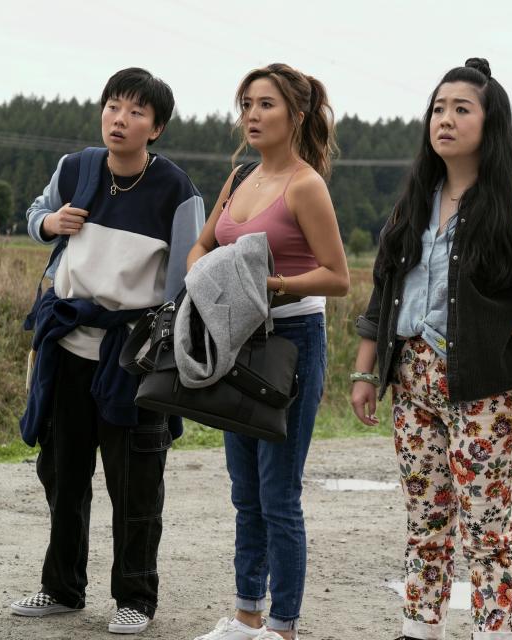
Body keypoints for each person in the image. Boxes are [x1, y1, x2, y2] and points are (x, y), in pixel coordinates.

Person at [350, 57, 512, 640]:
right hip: (414, 382)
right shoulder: (411, 205)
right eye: (438, 109)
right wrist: (365, 372)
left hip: (487, 390)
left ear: (489, 123)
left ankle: (494, 631)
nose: (444, 119)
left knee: (486, 526)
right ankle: (419, 628)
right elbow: (382, 294)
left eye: (461, 109)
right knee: (425, 518)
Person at [12, 67, 205, 634]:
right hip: (68, 344)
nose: (120, 119)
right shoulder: (76, 168)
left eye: (136, 112)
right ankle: (62, 589)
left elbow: (184, 281)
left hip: (132, 355)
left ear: (157, 128)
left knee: (135, 483)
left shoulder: (176, 190)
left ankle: (135, 598)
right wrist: (49, 222)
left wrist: (166, 349)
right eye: (113, 107)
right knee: (62, 472)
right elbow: (35, 216)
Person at [189, 63, 349, 640]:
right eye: (247, 105)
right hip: (236, 339)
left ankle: (282, 627)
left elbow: (338, 276)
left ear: (296, 116)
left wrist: (273, 285)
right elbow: (203, 246)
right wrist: (207, 281)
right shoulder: (238, 180)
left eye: (266, 105)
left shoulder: (305, 185)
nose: (252, 116)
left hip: (292, 343)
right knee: (244, 491)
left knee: (279, 493)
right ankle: (245, 615)